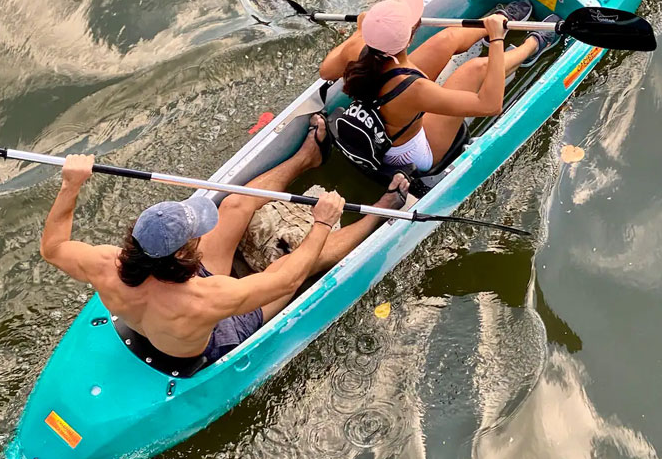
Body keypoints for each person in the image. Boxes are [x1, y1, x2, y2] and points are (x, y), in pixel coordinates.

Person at [39, 115, 409, 371]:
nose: (201, 232)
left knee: (234, 203)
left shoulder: (107, 264)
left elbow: (52, 248)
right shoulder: (209, 297)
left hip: (158, 314)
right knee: (292, 261)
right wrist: (322, 223)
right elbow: (287, 281)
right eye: (194, 231)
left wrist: (71, 184)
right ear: (182, 253)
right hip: (203, 340)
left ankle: (307, 156)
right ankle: (380, 211)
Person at [319, 0, 561, 172]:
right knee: (475, 69)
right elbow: (490, 104)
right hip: (411, 153)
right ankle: (533, 45)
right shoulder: (416, 89)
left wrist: (360, 33)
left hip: (385, 122)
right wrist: (498, 43)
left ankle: (497, 22)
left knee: (447, 39)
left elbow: (326, 71)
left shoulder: (360, 47)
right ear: (410, 39)